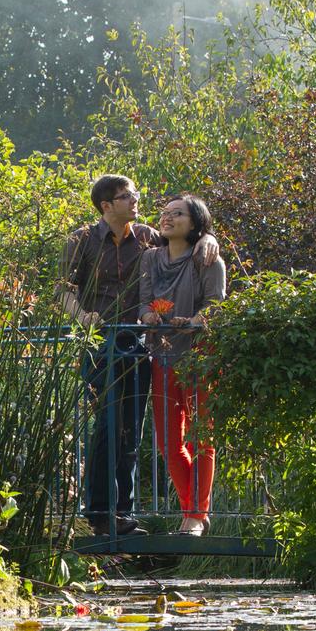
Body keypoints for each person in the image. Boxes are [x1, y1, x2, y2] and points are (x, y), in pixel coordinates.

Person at [60, 176, 217, 537]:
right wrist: (83, 318)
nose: (136, 201)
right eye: (127, 196)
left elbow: (186, 238)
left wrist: (209, 236)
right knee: (108, 425)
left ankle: (124, 515)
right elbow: (63, 290)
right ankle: (100, 513)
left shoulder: (147, 236)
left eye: (135, 195)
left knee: (132, 428)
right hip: (101, 342)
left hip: (139, 344)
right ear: (106, 205)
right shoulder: (81, 240)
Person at [140, 194, 226, 537]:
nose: (168, 218)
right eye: (165, 213)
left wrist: (192, 321)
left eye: (178, 214)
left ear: (195, 222)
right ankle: (195, 510)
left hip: (200, 354)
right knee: (168, 441)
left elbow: (215, 307)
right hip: (161, 354)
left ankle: (193, 515)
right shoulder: (150, 258)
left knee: (202, 436)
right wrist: (148, 315)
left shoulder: (208, 259)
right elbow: (144, 300)